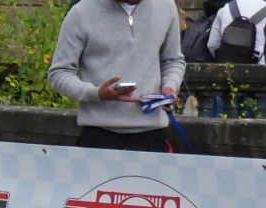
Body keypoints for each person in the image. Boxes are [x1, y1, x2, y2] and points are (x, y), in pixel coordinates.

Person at [47, 0, 187, 152]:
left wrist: (170, 86)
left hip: (152, 135)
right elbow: (59, 73)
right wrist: (96, 93)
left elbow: (173, 60)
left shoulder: (166, 6)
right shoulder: (81, 12)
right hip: (99, 136)